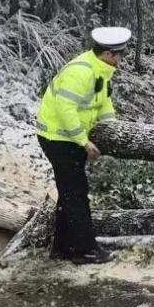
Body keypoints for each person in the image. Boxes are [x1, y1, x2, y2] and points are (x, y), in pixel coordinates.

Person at [36, 27, 131, 265]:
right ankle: (85, 250)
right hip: (58, 138)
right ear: (109, 54)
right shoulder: (82, 72)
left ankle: (62, 247)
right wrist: (84, 141)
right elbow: (65, 109)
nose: (121, 60)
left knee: (70, 192)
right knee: (76, 194)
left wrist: (112, 131)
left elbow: (103, 103)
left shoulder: (101, 71)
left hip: (68, 138)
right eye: (119, 55)